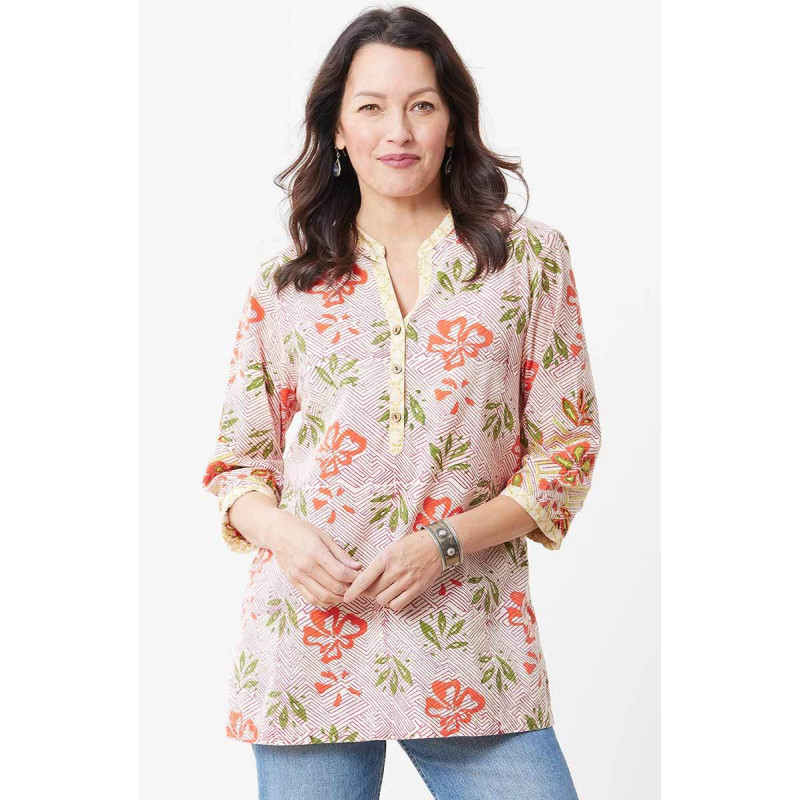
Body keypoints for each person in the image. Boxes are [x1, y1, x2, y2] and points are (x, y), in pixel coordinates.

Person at [201, 6, 602, 799]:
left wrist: (444, 543)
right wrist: (284, 535)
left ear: (453, 122)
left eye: (422, 105)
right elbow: (236, 467)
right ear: (337, 127)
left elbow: (566, 454)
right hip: (309, 642)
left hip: (470, 641)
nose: (399, 131)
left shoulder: (526, 260)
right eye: (371, 107)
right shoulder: (287, 283)